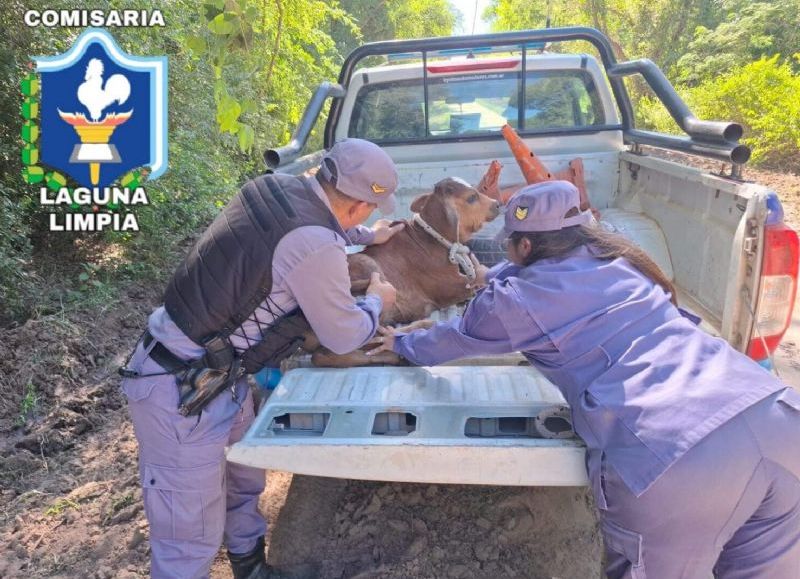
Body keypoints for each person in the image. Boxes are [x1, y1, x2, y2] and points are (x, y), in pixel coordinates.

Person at [367, 181, 800, 578]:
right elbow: (534, 275)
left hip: (676, 453)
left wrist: (401, 343)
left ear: (523, 246)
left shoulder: (512, 301)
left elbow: (454, 340)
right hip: (774, 416)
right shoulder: (620, 260)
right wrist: (489, 277)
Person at [120, 138, 404, 579]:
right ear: (362, 204)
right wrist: (376, 303)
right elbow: (343, 334)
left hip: (214, 377)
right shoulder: (316, 243)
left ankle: (252, 570)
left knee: (244, 480)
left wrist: (367, 236)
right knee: (187, 533)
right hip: (179, 393)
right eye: (370, 212)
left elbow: (302, 230)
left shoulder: (273, 187)